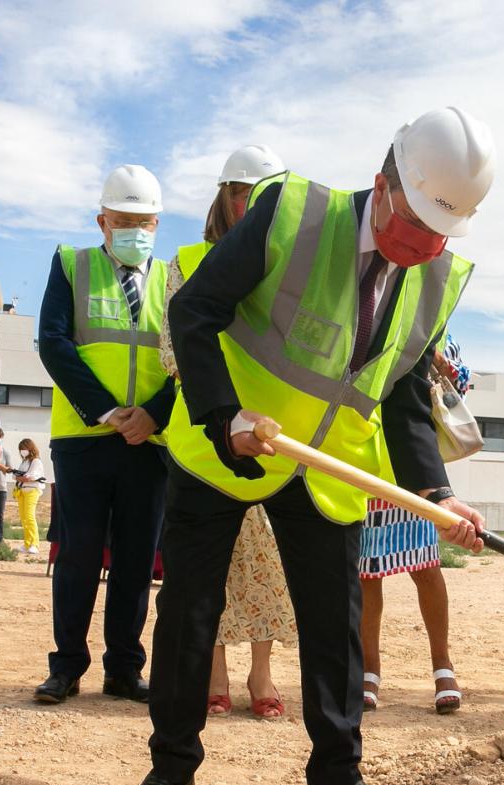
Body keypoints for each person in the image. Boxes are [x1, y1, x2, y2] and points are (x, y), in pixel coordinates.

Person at [129, 106, 495, 785]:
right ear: (383, 184)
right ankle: (171, 772)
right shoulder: (290, 215)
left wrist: (440, 495)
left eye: (440, 234)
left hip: (325, 466)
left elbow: (407, 392)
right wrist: (221, 414)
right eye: (414, 224)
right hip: (228, 443)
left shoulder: (434, 278)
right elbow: (194, 313)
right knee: (189, 611)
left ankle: (338, 775)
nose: (423, 246)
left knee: (335, 621)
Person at [32, 163, 174, 707]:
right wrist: (107, 410)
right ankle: (66, 666)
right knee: (79, 556)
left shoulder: (170, 279)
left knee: (137, 561)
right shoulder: (71, 264)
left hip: (150, 443)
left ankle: (124, 669)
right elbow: (53, 342)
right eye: (123, 220)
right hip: (86, 437)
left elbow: (187, 360)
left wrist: (153, 415)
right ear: (102, 220)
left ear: (158, 224)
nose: (135, 230)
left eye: (145, 221)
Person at [164, 144, 294, 720]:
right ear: (227, 198)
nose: (256, 205)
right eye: (246, 194)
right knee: (203, 575)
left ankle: (260, 671)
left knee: (264, 565)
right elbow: (175, 351)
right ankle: (213, 672)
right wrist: (225, 411)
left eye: (269, 196)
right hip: (203, 442)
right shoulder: (189, 261)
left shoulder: (290, 269)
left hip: (272, 442)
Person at [360, 337, 472, 713]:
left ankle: (444, 665)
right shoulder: (366, 311)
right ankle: (368, 668)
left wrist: (439, 358)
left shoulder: (435, 326)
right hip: (365, 457)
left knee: (426, 568)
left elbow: (462, 381)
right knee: (367, 572)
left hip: (414, 468)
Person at [14, 437, 44, 553]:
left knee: (30, 517)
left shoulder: (36, 461)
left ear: (30, 448)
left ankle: (34, 544)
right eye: (20, 449)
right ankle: (27, 543)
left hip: (32, 491)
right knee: (24, 518)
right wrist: (21, 477)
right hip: (22, 491)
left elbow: (30, 477)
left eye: (24, 448)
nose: (22, 451)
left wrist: (20, 477)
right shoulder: (24, 461)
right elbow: (17, 476)